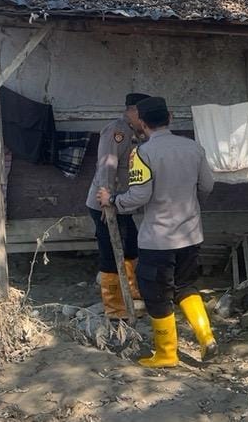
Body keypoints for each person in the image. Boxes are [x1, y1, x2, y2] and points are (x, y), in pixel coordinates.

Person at [97, 96, 217, 368]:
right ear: (170, 117)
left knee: (157, 294)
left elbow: (139, 196)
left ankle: (166, 354)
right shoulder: (194, 148)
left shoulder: (142, 153)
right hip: (191, 235)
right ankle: (206, 337)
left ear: (141, 123)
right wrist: (192, 205)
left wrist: (112, 200)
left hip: (158, 240)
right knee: (185, 286)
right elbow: (207, 186)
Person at [86, 93, 150, 318]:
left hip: (121, 203)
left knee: (131, 246)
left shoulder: (136, 133)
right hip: (106, 203)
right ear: (132, 111)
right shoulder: (117, 131)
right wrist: (107, 201)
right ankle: (114, 307)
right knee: (111, 252)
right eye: (143, 114)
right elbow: (107, 166)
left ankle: (130, 293)